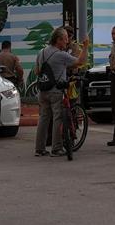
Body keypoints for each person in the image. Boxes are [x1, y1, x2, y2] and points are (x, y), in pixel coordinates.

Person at [34, 27, 90, 157]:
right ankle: (56, 148)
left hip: (42, 90)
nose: (67, 42)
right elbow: (80, 62)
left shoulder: (41, 52)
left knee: (43, 118)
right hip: (56, 90)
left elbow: (37, 71)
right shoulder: (61, 54)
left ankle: (39, 148)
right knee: (57, 118)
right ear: (58, 40)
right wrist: (85, 47)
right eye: (65, 39)